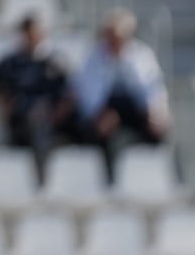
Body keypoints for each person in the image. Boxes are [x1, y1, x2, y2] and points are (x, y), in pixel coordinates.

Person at [68, 9, 169, 170]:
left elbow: (152, 88)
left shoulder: (141, 55)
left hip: (134, 114)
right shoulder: (92, 57)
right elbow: (87, 94)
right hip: (103, 116)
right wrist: (98, 115)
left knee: (160, 130)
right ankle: (110, 181)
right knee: (106, 137)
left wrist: (156, 113)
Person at [0, 14, 74, 158]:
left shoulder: (55, 62)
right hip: (19, 121)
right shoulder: (10, 62)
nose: (30, 38)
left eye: (33, 34)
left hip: (49, 121)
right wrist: (4, 106)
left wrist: (57, 114)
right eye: (27, 34)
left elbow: (69, 93)